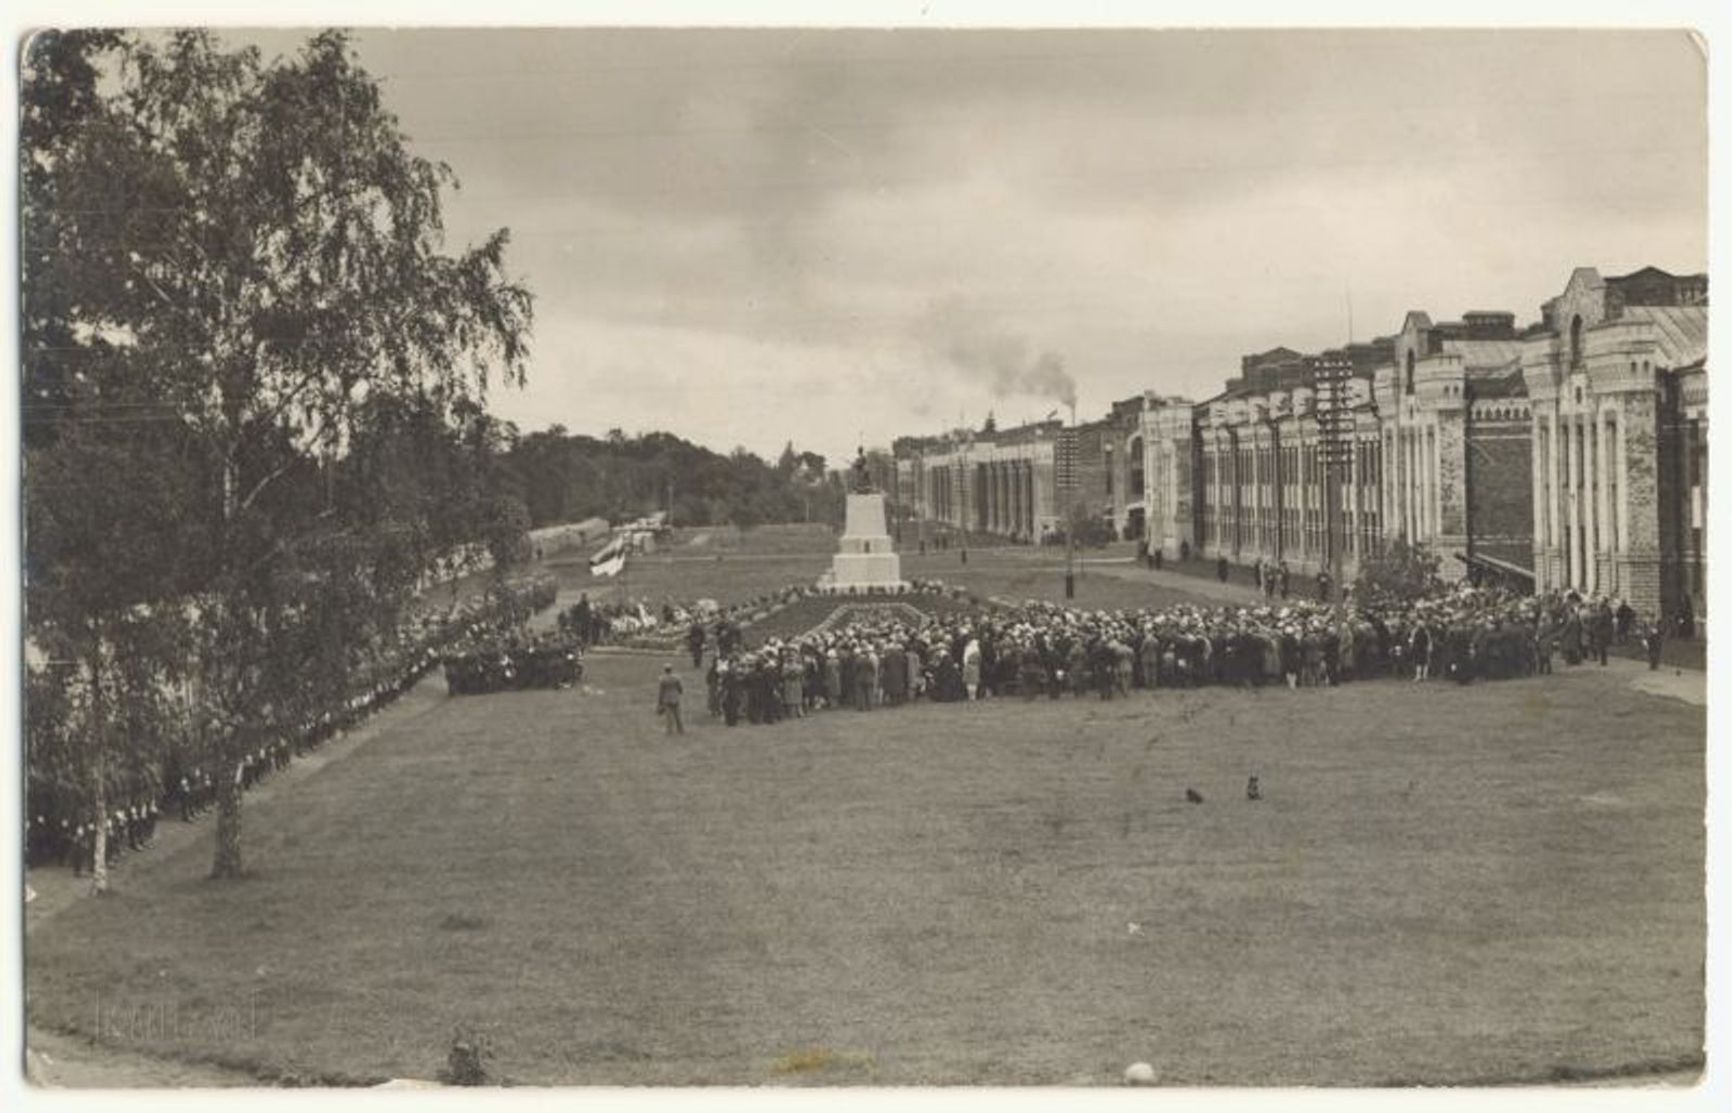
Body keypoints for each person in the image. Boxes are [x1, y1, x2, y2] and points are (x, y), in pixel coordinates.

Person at [657, 664, 684, 735]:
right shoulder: (676, 678)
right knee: (677, 715)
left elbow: (661, 692)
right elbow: (680, 688)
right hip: (675, 698)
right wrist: (680, 692)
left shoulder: (662, 679)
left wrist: (660, 702)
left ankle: (669, 730)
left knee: (669, 716)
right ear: (671, 669)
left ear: (664, 670)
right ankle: (680, 729)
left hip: (667, 699)